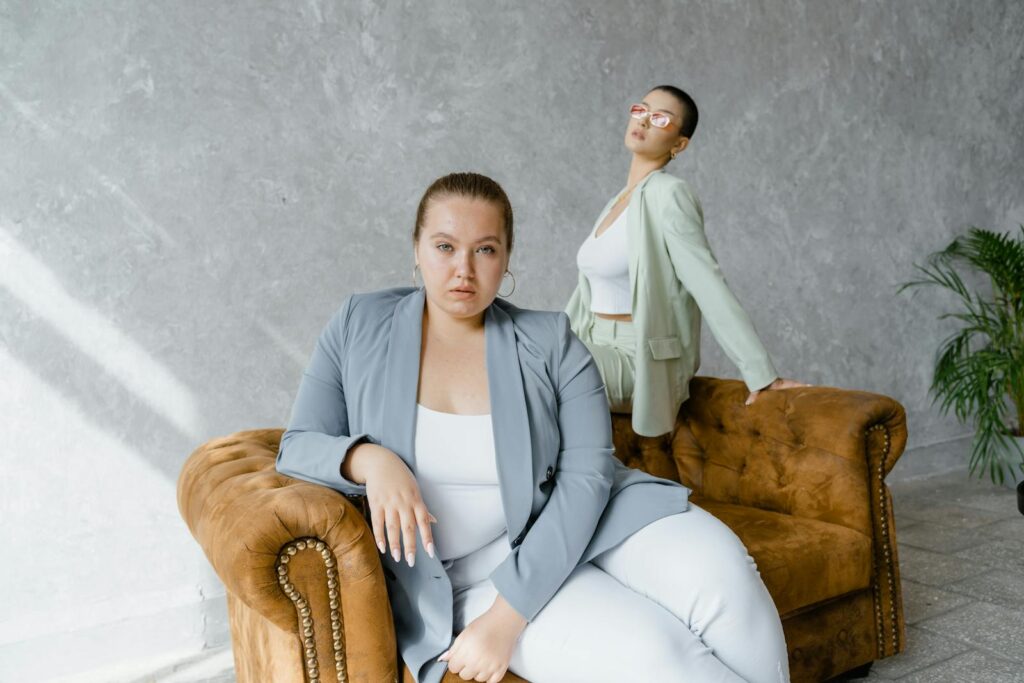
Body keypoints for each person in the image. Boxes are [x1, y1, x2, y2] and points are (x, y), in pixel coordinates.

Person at [276, 172, 790, 683]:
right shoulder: (358, 324)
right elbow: (298, 446)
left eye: (485, 250)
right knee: (659, 657)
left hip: (596, 518)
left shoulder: (551, 339)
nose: (464, 270)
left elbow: (587, 479)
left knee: (726, 579)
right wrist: (372, 461)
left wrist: (507, 620)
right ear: (416, 249)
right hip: (469, 572)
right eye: (444, 246)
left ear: (506, 259)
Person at [567, 85, 809, 438]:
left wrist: (761, 374)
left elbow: (707, 285)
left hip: (639, 361)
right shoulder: (616, 202)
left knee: (532, 360)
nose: (645, 121)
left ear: (679, 144)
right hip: (593, 342)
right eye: (642, 110)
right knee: (508, 348)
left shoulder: (670, 196)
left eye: (661, 118)